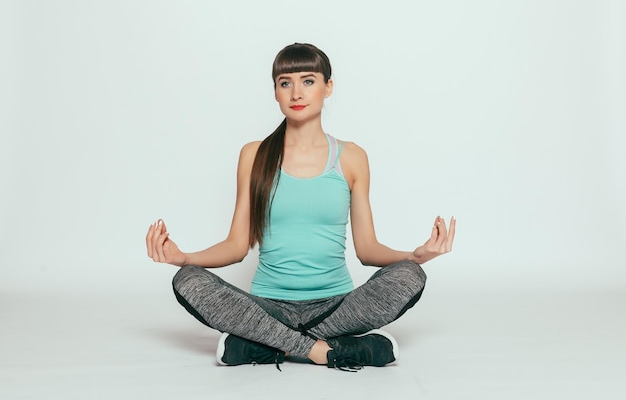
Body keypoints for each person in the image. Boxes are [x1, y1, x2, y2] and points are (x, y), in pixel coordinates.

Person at [145, 42, 456, 371]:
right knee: (188, 280)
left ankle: (267, 344)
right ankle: (325, 350)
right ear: (276, 92)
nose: (296, 93)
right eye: (285, 83)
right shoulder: (254, 155)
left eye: (308, 81)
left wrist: (414, 256)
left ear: (328, 87)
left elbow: (367, 250)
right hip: (267, 306)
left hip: (336, 307)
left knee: (410, 275)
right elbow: (236, 246)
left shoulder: (351, 157)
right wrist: (183, 258)